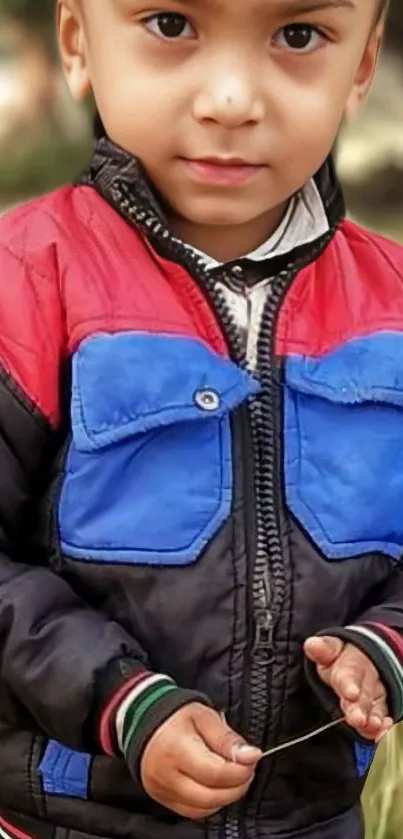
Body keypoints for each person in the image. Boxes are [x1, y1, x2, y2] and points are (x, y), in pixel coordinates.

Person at [0, 0, 401, 838]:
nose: (229, 98)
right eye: (171, 24)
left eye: (297, 36)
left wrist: (384, 644)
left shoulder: (392, 303)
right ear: (78, 44)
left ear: (360, 67)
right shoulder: (24, 283)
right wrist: (119, 700)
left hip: (315, 819)